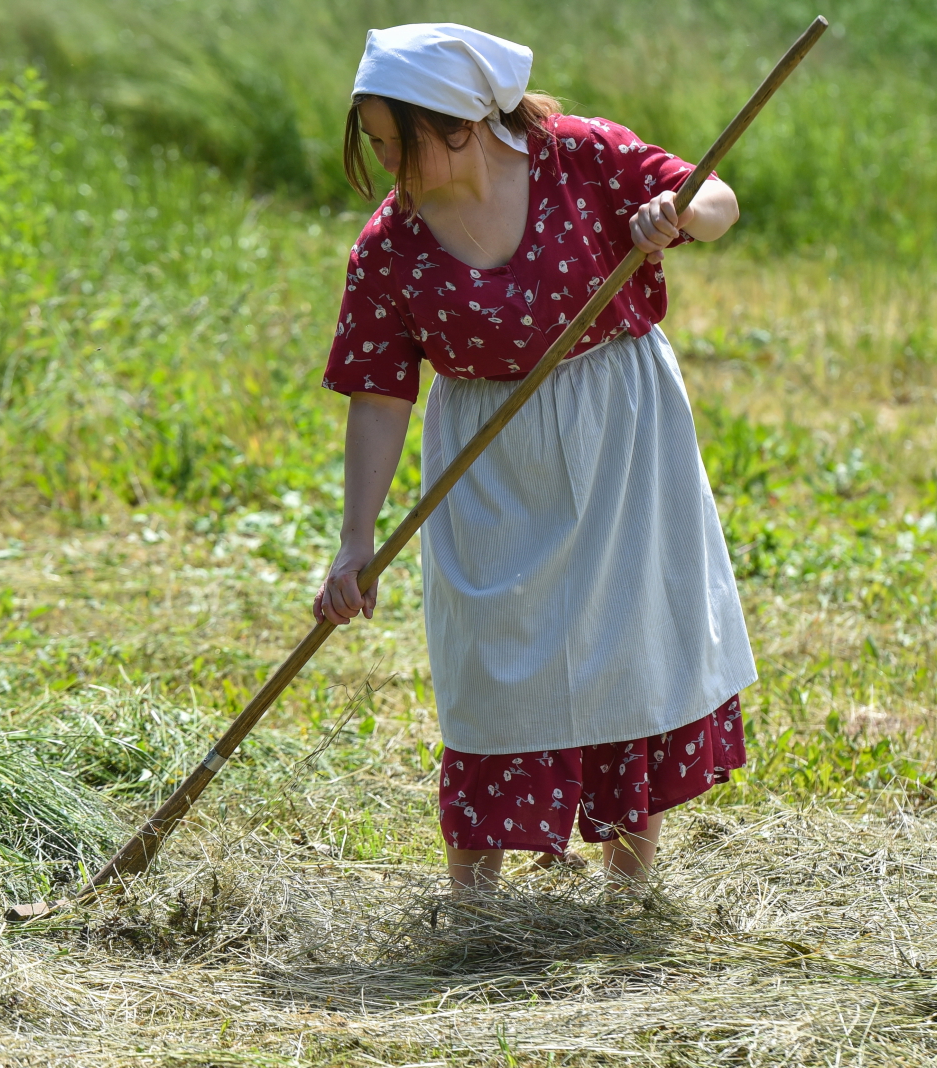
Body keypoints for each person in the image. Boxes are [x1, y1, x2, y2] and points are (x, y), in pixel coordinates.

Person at [314, 23, 757, 891]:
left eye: (398, 140)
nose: (387, 161)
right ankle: (473, 910)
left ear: (462, 122)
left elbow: (719, 199)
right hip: (490, 464)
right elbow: (378, 396)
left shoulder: (580, 156)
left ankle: (628, 889)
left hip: (618, 436)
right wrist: (354, 541)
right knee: (491, 666)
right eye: (373, 142)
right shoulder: (391, 246)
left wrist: (679, 216)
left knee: (627, 644)